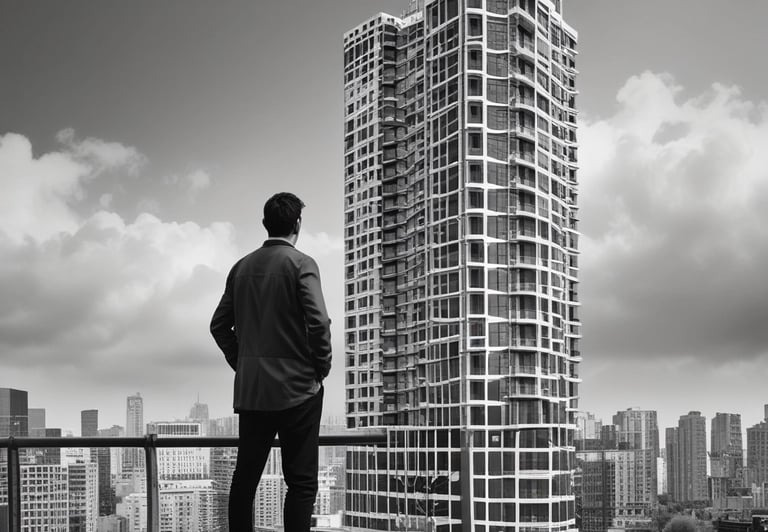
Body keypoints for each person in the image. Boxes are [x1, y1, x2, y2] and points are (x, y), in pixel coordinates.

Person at [210, 192, 332, 532]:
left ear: (266, 224)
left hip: (254, 390)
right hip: (298, 390)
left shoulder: (242, 267)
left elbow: (218, 325)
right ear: (297, 224)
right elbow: (318, 321)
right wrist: (320, 367)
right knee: (302, 482)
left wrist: (244, 363)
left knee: (245, 478)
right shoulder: (302, 264)